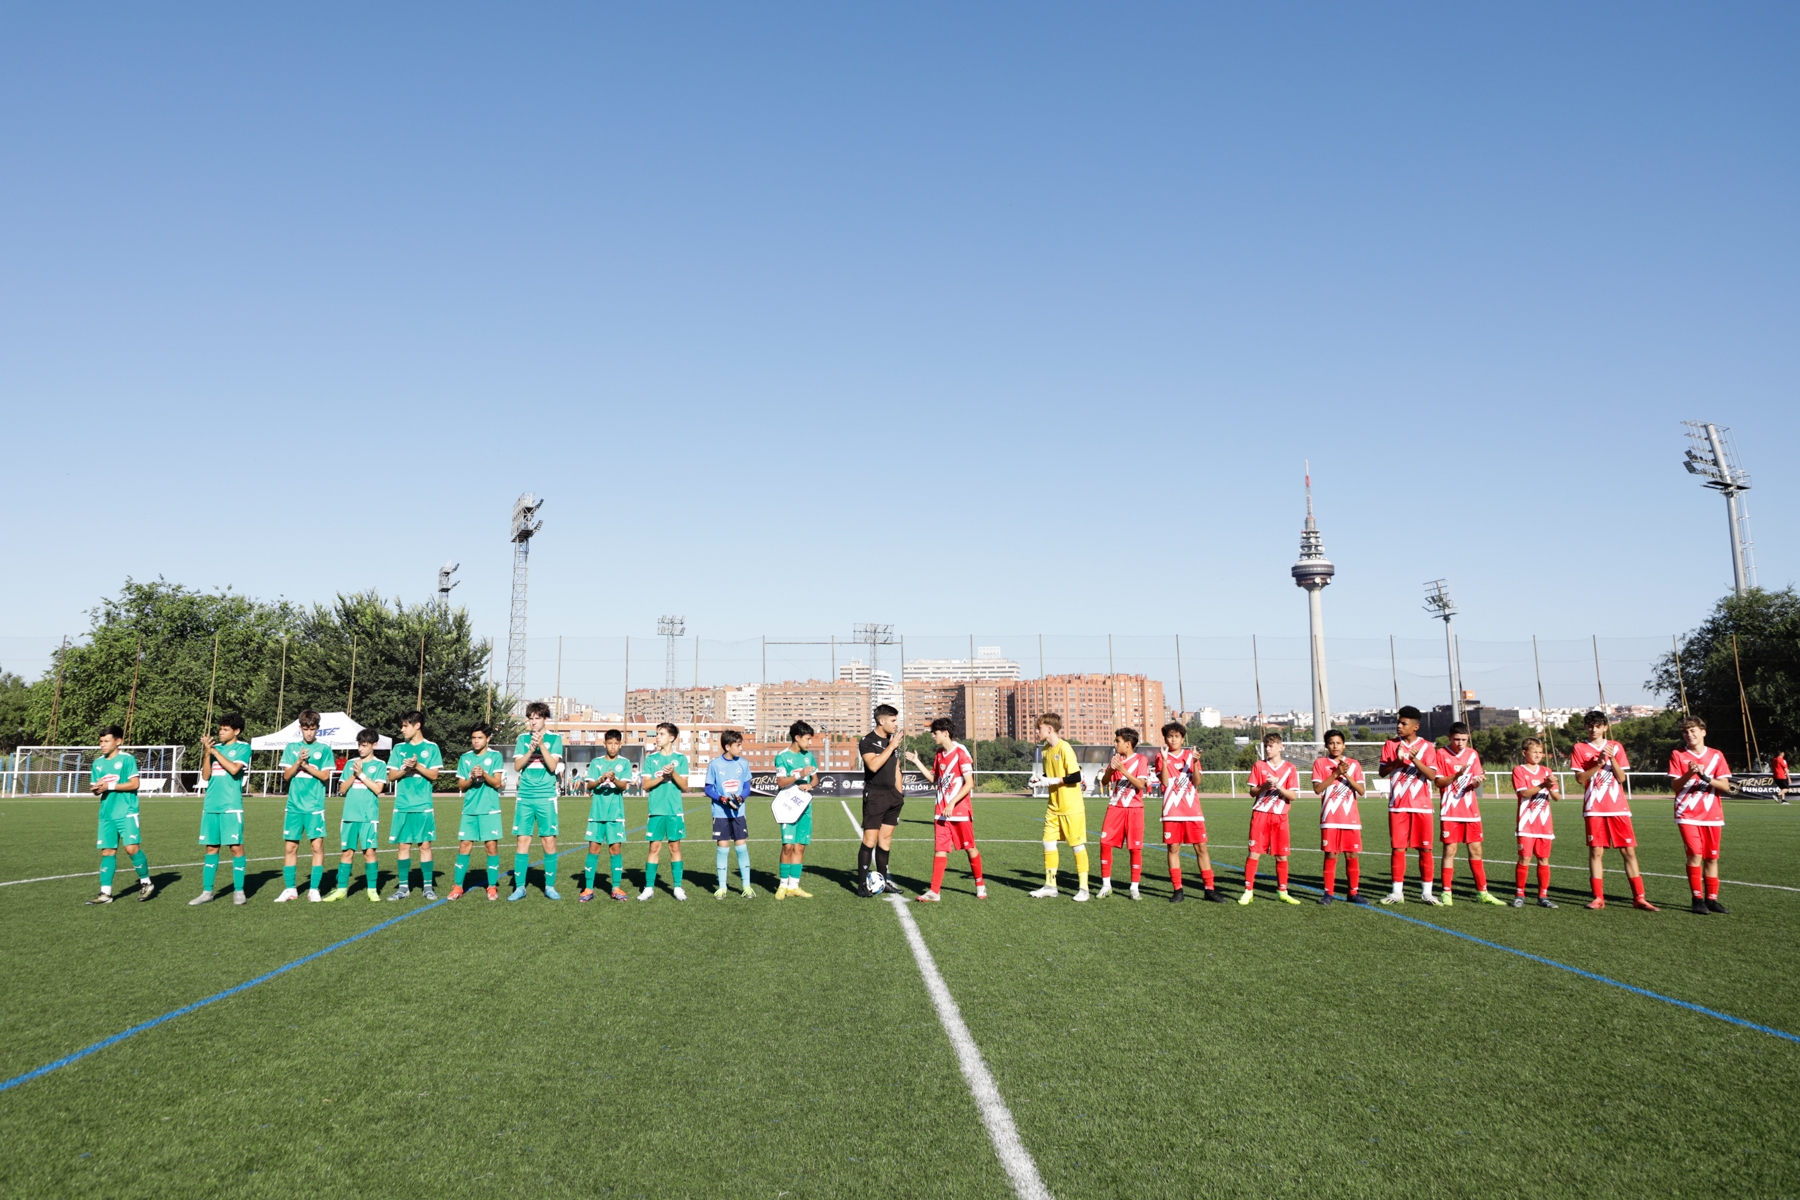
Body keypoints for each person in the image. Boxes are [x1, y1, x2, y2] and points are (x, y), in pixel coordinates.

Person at [1571, 710, 1656, 911]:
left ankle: (1639, 898)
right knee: (1596, 852)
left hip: (1618, 808)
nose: (1593, 730)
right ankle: (1598, 898)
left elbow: (1621, 778)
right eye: (1590, 726)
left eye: (1597, 726)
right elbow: (1580, 779)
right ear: (1586, 727)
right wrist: (1599, 764)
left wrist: (1611, 759)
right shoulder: (1579, 748)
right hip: (1594, 808)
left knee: (1628, 851)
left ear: (1605, 727)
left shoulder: (1616, 746)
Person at [905, 718, 986, 902]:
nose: (933, 736)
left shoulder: (961, 753)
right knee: (940, 849)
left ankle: (980, 884)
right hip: (941, 812)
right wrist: (917, 761)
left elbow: (970, 783)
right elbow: (933, 779)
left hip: (960, 812)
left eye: (935, 733)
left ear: (945, 733)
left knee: (970, 847)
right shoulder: (939, 754)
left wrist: (952, 803)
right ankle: (934, 891)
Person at [1378, 705, 1442, 905]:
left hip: (1422, 806)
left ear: (1415, 727)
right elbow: (1382, 772)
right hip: (1398, 806)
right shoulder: (1390, 744)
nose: (1399, 726)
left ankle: (1427, 893)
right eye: (1398, 722)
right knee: (1398, 849)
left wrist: (1414, 759)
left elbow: (1432, 776)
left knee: (1425, 849)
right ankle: (1397, 892)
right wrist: (1397, 761)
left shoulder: (1427, 747)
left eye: (1403, 723)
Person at [1669, 715, 1732, 915]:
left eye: (1693, 730)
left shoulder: (1716, 755)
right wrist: (1690, 773)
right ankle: (1697, 899)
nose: (1689, 735)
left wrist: (1705, 777)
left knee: (1712, 857)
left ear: (1703, 732)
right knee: (1695, 854)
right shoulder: (1678, 755)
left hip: (1712, 814)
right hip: (1687, 813)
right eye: (1685, 732)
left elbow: (1726, 786)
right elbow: (1675, 786)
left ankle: (1711, 900)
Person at [1436, 722, 1504, 906]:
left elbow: (1474, 783)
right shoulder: (1441, 754)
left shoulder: (1472, 754)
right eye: (1457, 739)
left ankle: (1482, 892)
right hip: (1450, 811)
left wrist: (1477, 781)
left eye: (1464, 740)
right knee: (1450, 850)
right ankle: (1446, 892)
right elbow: (1439, 783)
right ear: (1450, 737)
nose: (1460, 743)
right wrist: (1457, 776)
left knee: (1476, 850)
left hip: (1471, 811)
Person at [189, 712, 251, 907]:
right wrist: (208, 753)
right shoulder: (215, 750)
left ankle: (239, 891)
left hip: (230, 806)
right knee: (211, 848)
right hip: (211, 805)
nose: (221, 732)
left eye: (225, 729)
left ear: (236, 731)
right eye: (220, 729)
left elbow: (234, 769)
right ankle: (207, 892)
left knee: (235, 847)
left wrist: (215, 752)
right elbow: (206, 776)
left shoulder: (243, 747)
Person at [86, 724, 153, 904]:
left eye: (106, 741)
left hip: (127, 811)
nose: (102, 744)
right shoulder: (97, 763)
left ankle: (146, 882)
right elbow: (97, 789)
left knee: (131, 848)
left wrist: (109, 786)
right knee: (107, 851)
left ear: (118, 741)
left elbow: (135, 784)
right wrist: (97, 789)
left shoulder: (127, 760)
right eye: (101, 741)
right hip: (107, 814)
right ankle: (105, 893)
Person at [1156, 721, 1222, 903]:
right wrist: (1165, 761)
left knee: (1201, 848)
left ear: (1182, 739)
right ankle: (1178, 890)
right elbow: (1165, 782)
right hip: (1172, 811)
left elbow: (1197, 782)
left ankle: (1209, 889)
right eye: (1170, 736)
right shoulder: (1161, 756)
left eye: (1176, 736)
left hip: (1192, 810)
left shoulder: (1190, 755)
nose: (1173, 739)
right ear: (1165, 739)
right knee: (1173, 848)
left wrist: (1195, 762)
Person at [1027, 714, 1090, 902]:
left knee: (1077, 846)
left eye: (1039, 728)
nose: (1036, 732)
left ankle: (1084, 889)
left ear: (1049, 729)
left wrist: (1050, 780)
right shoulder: (1045, 751)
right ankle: (1050, 886)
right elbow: (1050, 775)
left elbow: (1075, 777)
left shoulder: (1065, 748)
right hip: (1053, 807)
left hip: (1071, 807)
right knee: (1048, 843)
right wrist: (1039, 779)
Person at [275, 710, 334, 903]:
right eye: (306, 729)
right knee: (290, 847)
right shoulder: (292, 747)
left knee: (317, 846)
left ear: (317, 729)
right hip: (294, 806)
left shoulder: (324, 749)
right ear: (300, 728)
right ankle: (290, 889)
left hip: (314, 806)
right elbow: (286, 776)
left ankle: (314, 889)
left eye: (313, 729)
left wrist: (307, 766)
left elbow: (325, 776)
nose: (309, 733)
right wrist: (298, 762)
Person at [509, 701, 564, 900]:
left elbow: (552, 767)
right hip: (525, 796)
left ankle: (549, 886)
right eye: (530, 718)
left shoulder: (555, 739)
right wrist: (531, 750)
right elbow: (517, 766)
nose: (533, 722)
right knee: (522, 840)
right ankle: (520, 887)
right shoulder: (522, 739)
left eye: (537, 718)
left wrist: (541, 745)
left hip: (546, 796)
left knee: (548, 840)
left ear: (545, 719)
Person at [386, 710, 443, 901]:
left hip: (423, 805)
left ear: (417, 725)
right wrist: (406, 768)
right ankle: (403, 888)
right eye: (402, 726)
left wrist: (417, 765)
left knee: (425, 845)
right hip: (402, 804)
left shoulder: (432, 748)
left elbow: (434, 775)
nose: (402, 730)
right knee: (403, 845)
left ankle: (428, 887)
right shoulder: (398, 749)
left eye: (405, 726)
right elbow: (391, 776)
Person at [1240, 731, 1302, 905]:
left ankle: (1282, 891)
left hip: (1280, 817)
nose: (1268, 749)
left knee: (1281, 856)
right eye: (1266, 746)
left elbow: (1293, 796)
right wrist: (1265, 786)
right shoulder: (1259, 766)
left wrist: (1278, 786)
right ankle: (1248, 891)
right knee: (1254, 853)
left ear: (1280, 747)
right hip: (1260, 815)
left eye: (1271, 746)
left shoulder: (1290, 768)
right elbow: (1252, 792)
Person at [323, 728, 385, 902]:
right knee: (346, 853)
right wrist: (354, 773)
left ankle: (372, 890)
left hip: (368, 816)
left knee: (369, 852)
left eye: (364, 745)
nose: (360, 749)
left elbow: (378, 789)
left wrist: (361, 774)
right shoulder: (351, 763)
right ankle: (341, 889)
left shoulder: (380, 765)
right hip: (349, 815)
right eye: (359, 745)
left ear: (374, 745)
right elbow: (342, 789)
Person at [1311, 729, 1368, 906]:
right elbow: (1317, 789)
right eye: (1331, 743)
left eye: (1338, 743)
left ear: (1344, 745)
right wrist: (1335, 774)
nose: (1335, 746)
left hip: (1350, 818)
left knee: (1352, 854)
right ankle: (1328, 893)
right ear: (1326, 746)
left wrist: (1346, 774)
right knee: (1331, 854)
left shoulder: (1354, 764)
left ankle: (1353, 892)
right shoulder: (1320, 763)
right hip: (1330, 818)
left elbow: (1361, 790)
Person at [452, 723, 506, 900]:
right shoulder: (465, 758)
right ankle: (458, 887)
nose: (476, 741)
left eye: (480, 738)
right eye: (473, 738)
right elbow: (461, 786)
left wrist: (484, 774)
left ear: (488, 739)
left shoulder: (495, 756)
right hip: (469, 810)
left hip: (490, 809)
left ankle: (492, 887)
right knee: (464, 846)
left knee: (491, 847)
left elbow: (497, 783)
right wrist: (471, 777)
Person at [857, 704, 907, 897]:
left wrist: (899, 794)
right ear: (881, 720)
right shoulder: (867, 741)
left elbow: (896, 768)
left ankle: (883, 881)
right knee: (870, 840)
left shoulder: (892, 741)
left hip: (892, 796)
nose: (896, 724)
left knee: (885, 840)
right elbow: (873, 765)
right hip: (875, 795)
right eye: (893, 720)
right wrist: (891, 747)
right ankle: (862, 885)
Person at [638, 721, 689, 901]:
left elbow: (684, 786)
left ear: (672, 738)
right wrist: (662, 777)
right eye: (657, 734)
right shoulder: (651, 759)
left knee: (675, 847)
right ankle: (648, 888)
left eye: (661, 734)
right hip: (656, 810)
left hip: (675, 810)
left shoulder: (681, 759)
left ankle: (677, 887)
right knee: (654, 848)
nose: (657, 737)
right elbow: (645, 785)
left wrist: (673, 774)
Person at [580, 729, 633, 902]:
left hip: (615, 814)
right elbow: (589, 786)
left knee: (615, 850)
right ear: (604, 744)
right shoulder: (596, 763)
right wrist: (601, 779)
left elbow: (623, 787)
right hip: (597, 813)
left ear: (620, 744)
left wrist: (614, 779)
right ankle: (588, 888)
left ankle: (616, 887)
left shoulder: (624, 763)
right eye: (609, 743)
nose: (613, 746)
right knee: (593, 849)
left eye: (616, 743)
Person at [1098, 728, 1149, 900]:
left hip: (1134, 809)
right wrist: (1112, 770)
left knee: (1134, 848)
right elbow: (1105, 782)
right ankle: (1106, 885)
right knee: (1105, 843)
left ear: (1128, 744)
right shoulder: (1115, 759)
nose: (1115, 744)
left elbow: (1140, 785)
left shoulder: (1141, 760)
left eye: (1118, 741)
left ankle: (1134, 888)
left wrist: (1123, 770)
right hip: (1115, 807)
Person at [705, 729, 755, 898]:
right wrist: (722, 799)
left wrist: (740, 798)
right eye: (738, 745)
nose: (741, 748)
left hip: (739, 813)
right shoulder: (714, 764)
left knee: (741, 848)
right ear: (727, 746)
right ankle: (722, 887)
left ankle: (746, 886)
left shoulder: (743, 763)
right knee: (723, 849)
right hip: (720, 813)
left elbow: (747, 787)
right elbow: (708, 788)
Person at [1511, 736, 1559, 908]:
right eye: (1534, 752)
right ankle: (1519, 894)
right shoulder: (1519, 770)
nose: (1538, 755)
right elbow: (1524, 793)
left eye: (1540, 752)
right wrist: (1543, 785)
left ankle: (1543, 896)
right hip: (1526, 823)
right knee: (1525, 858)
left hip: (1544, 824)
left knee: (1543, 859)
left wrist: (1551, 787)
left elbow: (1557, 797)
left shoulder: (1547, 771)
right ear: (1525, 753)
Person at [773, 721, 820, 899]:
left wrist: (810, 785)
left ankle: (794, 886)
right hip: (788, 807)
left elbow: (815, 779)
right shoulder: (782, 757)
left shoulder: (808, 756)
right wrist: (800, 774)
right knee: (788, 846)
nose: (810, 743)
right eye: (807, 739)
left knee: (800, 847)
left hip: (805, 807)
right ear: (797, 737)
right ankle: (782, 885)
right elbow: (780, 782)